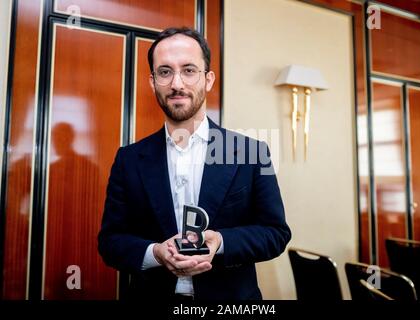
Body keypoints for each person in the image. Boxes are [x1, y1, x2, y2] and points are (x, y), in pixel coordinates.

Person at [98, 27, 291, 301]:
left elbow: (275, 233)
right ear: (153, 82)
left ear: (208, 79)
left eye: (189, 70)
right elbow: (110, 242)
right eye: (165, 72)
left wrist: (221, 242)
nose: (177, 83)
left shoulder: (251, 152)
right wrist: (155, 253)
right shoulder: (128, 159)